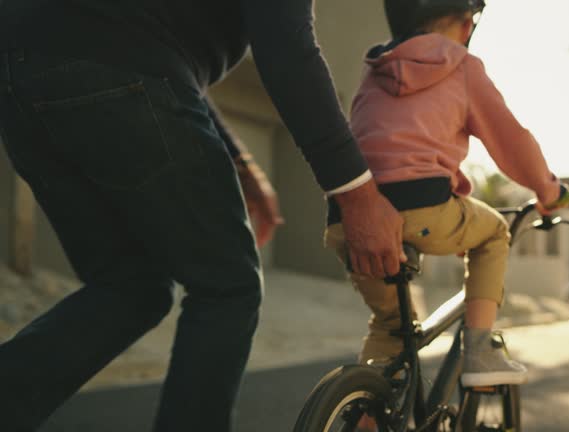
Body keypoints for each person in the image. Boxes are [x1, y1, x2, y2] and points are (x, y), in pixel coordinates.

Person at [0, 0, 405, 431]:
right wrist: (357, 194)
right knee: (228, 285)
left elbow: (154, 35)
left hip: (19, 72)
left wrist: (240, 159)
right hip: (119, 63)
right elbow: (286, 46)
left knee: (130, 286)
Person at [325, 0, 563, 392]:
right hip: (421, 210)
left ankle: (364, 410)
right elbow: (511, 141)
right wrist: (547, 189)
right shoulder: (461, 65)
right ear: (466, 24)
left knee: (390, 328)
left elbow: (385, 146)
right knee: (493, 233)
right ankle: (480, 351)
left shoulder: (375, 70)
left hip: (349, 219)